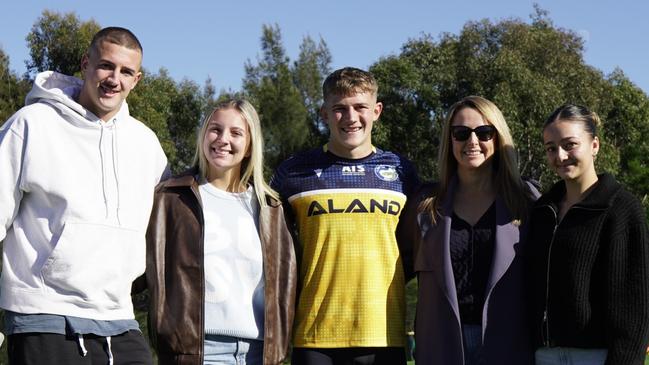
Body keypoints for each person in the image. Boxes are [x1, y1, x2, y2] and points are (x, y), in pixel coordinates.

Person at [0, 27, 168, 364]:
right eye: (106, 66)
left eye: (125, 72)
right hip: (42, 314)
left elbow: (164, 228)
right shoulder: (31, 125)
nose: (113, 79)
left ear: (137, 80)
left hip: (120, 317)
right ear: (85, 64)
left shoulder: (146, 144)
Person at [271, 67, 419, 365]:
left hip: (383, 331)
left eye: (360, 107)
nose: (351, 117)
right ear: (324, 113)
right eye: (340, 109)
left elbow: (417, 248)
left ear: (376, 111)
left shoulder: (403, 172)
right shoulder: (293, 173)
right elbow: (272, 249)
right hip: (314, 333)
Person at [145, 99, 297, 365]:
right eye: (215, 129)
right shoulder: (170, 198)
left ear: (250, 145)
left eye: (236, 133)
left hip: (259, 354)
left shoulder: (272, 209)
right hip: (196, 352)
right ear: (204, 135)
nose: (223, 139)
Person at [398, 96, 538, 364]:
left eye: (484, 132)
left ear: (498, 138)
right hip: (440, 347)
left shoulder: (526, 200)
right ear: (449, 141)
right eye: (461, 133)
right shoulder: (424, 205)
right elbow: (394, 272)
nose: (472, 142)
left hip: (510, 345)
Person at [529, 104, 649, 365]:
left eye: (569, 144)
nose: (560, 156)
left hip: (596, 358)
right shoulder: (541, 212)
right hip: (542, 357)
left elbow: (633, 311)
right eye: (551, 148)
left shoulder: (622, 210)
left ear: (594, 145)